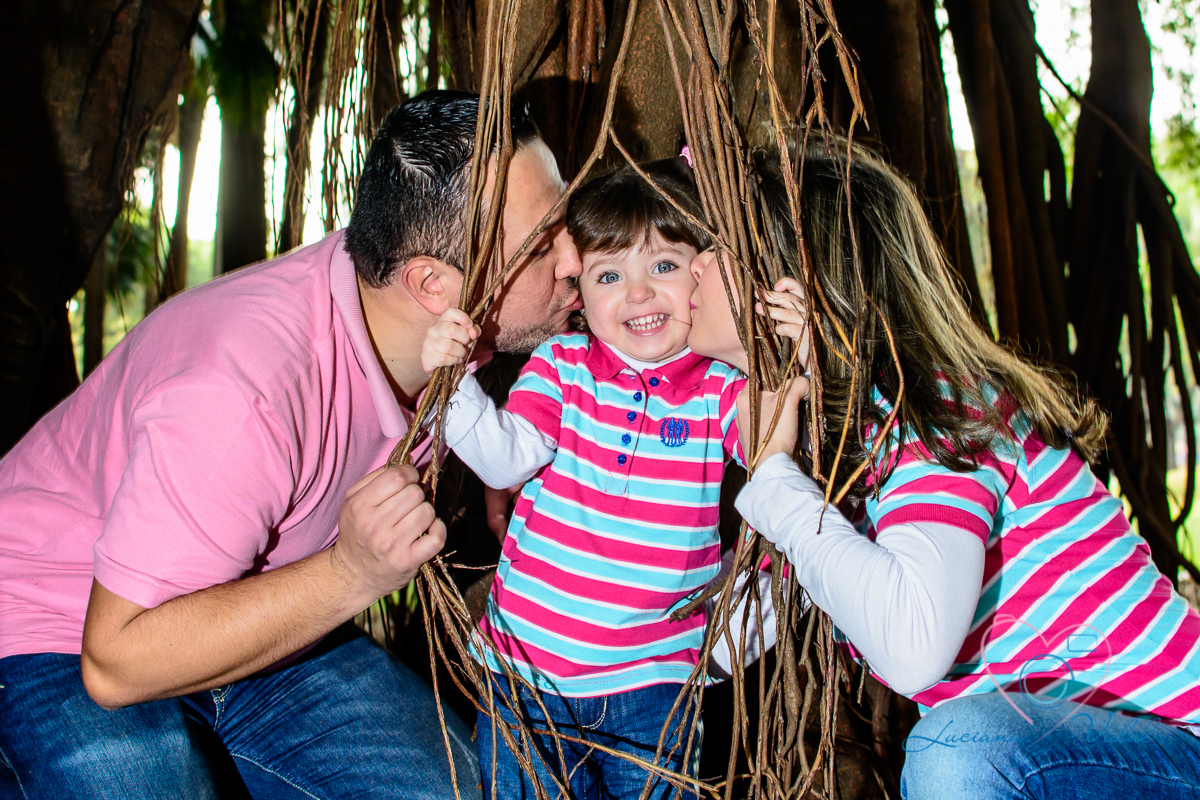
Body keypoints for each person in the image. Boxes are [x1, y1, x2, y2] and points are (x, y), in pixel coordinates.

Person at [0, 90, 583, 799]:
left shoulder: (423, 328)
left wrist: (499, 452)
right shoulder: (246, 391)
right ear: (431, 283)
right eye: (544, 240)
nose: (577, 258)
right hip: (60, 627)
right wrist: (351, 575)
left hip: (249, 611)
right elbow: (115, 661)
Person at [685, 140, 1200, 799]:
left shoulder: (935, 409)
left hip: (1177, 750)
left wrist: (775, 480)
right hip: (1088, 764)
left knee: (957, 752)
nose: (694, 266)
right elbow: (711, 653)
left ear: (795, 277)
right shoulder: (839, 458)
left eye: (716, 245)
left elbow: (914, 645)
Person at [421, 159, 765, 799]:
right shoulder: (563, 365)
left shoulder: (721, 387)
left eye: (663, 266)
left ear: (704, 276)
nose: (637, 293)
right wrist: (454, 380)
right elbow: (502, 459)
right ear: (581, 292)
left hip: (657, 681)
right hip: (528, 679)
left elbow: (774, 452)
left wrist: (765, 346)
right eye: (610, 274)